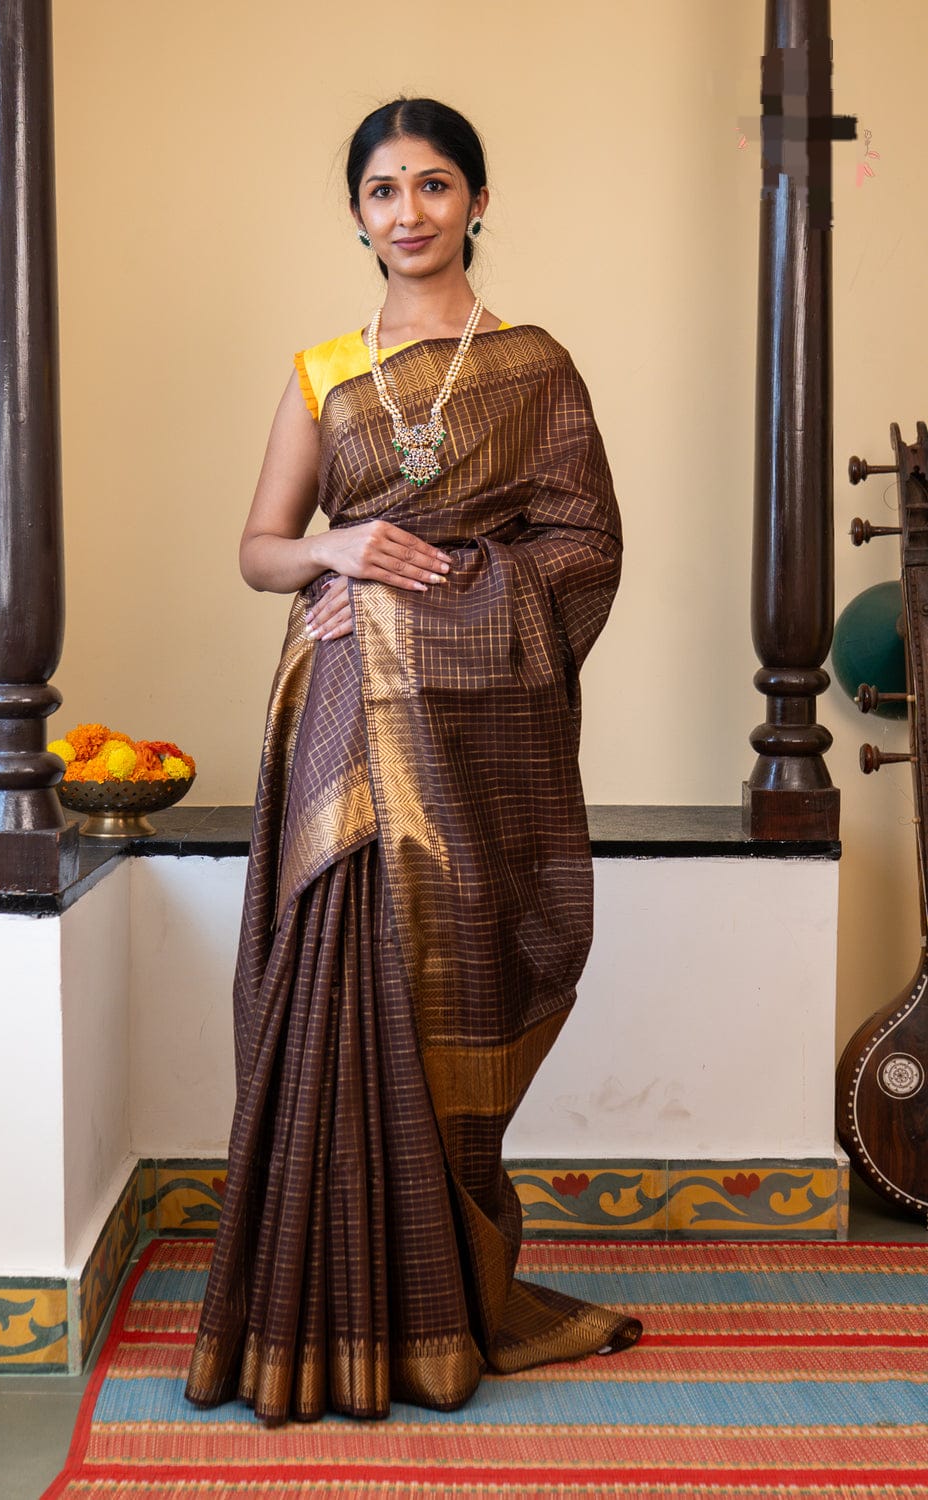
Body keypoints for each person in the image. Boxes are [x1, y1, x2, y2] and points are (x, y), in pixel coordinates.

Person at [185, 96, 641, 1428]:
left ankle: (439, 1300)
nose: (409, 211)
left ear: (477, 201)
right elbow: (261, 549)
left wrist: (422, 598)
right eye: (383, 190)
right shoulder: (325, 372)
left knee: (457, 975)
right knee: (337, 974)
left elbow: (587, 548)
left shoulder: (535, 368)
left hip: (473, 733)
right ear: (357, 216)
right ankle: (318, 1312)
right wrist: (332, 552)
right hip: (341, 714)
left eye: (434, 184)